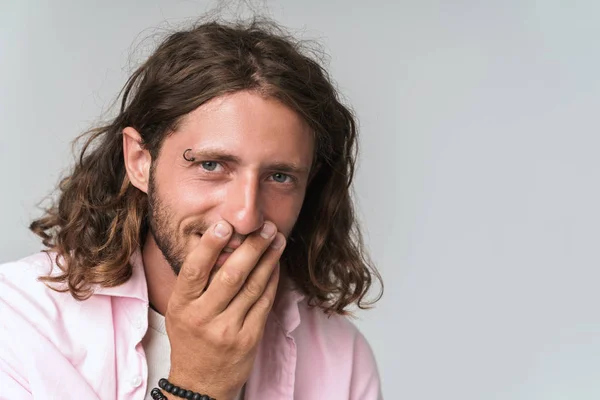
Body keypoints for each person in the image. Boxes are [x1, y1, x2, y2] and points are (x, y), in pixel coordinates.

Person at [0, 17, 383, 400]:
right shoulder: (17, 320)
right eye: (211, 165)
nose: (245, 216)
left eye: (280, 176)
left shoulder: (341, 355)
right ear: (139, 161)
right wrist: (198, 387)